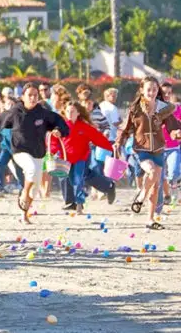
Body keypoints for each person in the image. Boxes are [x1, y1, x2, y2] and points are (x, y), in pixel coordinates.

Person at [0, 82, 69, 223]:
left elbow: (59, 121)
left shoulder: (42, 112)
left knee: (35, 189)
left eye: (35, 95)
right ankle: (24, 193)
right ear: (23, 97)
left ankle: (24, 214)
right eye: (29, 95)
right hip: (19, 151)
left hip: (38, 152)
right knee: (30, 169)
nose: (33, 98)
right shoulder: (14, 112)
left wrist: (59, 131)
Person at [115, 77, 181, 229]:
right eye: (149, 89)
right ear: (142, 90)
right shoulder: (135, 109)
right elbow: (125, 128)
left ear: (158, 91)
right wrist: (119, 141)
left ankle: (150, 219)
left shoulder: (163, 108)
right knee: (150, 171)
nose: (152, 92)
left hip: (158, 149)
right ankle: (141, 194)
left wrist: (176, 133)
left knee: (156, 185)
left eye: (154, 89)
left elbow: (172, 128)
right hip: (141, 149)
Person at [53, 101, 113, 214]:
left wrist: (110, 147)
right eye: (68, 111)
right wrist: (52, 148)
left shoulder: (84, 126)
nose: (70, 113)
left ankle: (79, 204)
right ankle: (70, 202)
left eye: (72, 111)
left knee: (78, 179)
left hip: (81, 157)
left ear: (78, 113)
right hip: (65, 157)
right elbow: (53, 140)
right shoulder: (61, 126)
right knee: (65, 178)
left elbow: (97, 138)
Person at [0, 98, 24, 197]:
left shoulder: (19, 117)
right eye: (8, 103)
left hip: (17, 148)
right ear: (4, 106)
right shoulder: (2, 118)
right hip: (6, 147)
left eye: (12, 103)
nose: (10, 105)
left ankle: (23, 188)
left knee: (18, 170)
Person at [161, 82, 181, 204]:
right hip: (158, 147)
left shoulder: (177, 109)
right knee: (160, 176)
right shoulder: (155, 108)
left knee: (173, 172)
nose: (167, 95)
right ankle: (166, 195)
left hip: (173, 147)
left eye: (169, 93)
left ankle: (173, 187)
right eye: (164, 93)